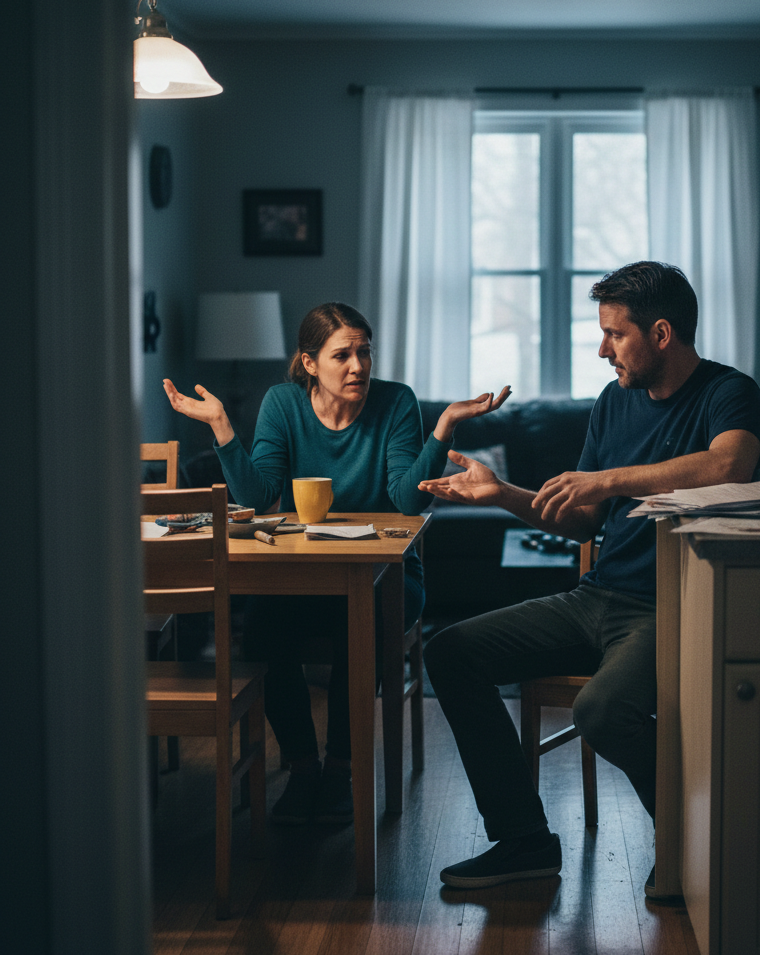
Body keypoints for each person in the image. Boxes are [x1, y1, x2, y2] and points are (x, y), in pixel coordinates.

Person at [419, 261, 760, 893]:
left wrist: (609, 479)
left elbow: (731, 464)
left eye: (614, 334)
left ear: (661, 334)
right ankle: (523, 840)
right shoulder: (614, 402)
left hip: (671, 606)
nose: (602, 348)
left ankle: (689, 838)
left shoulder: (728, 392)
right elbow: (581, 522)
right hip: (596, 597)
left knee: (601, 712)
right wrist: (501, 493)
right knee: (448, 651)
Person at [163, 301, 509, 825]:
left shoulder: (396, 403)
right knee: (259, 629)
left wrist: (444, 427)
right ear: (309, 363)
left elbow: (405, 501)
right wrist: (221, 427)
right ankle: (303, 767)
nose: (358, 366)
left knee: (362, 624)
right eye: (342, 354)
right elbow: (258, 497)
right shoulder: (283, 404)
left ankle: (341, 770)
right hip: (306, 574)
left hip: (389, 577)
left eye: (364, 352)